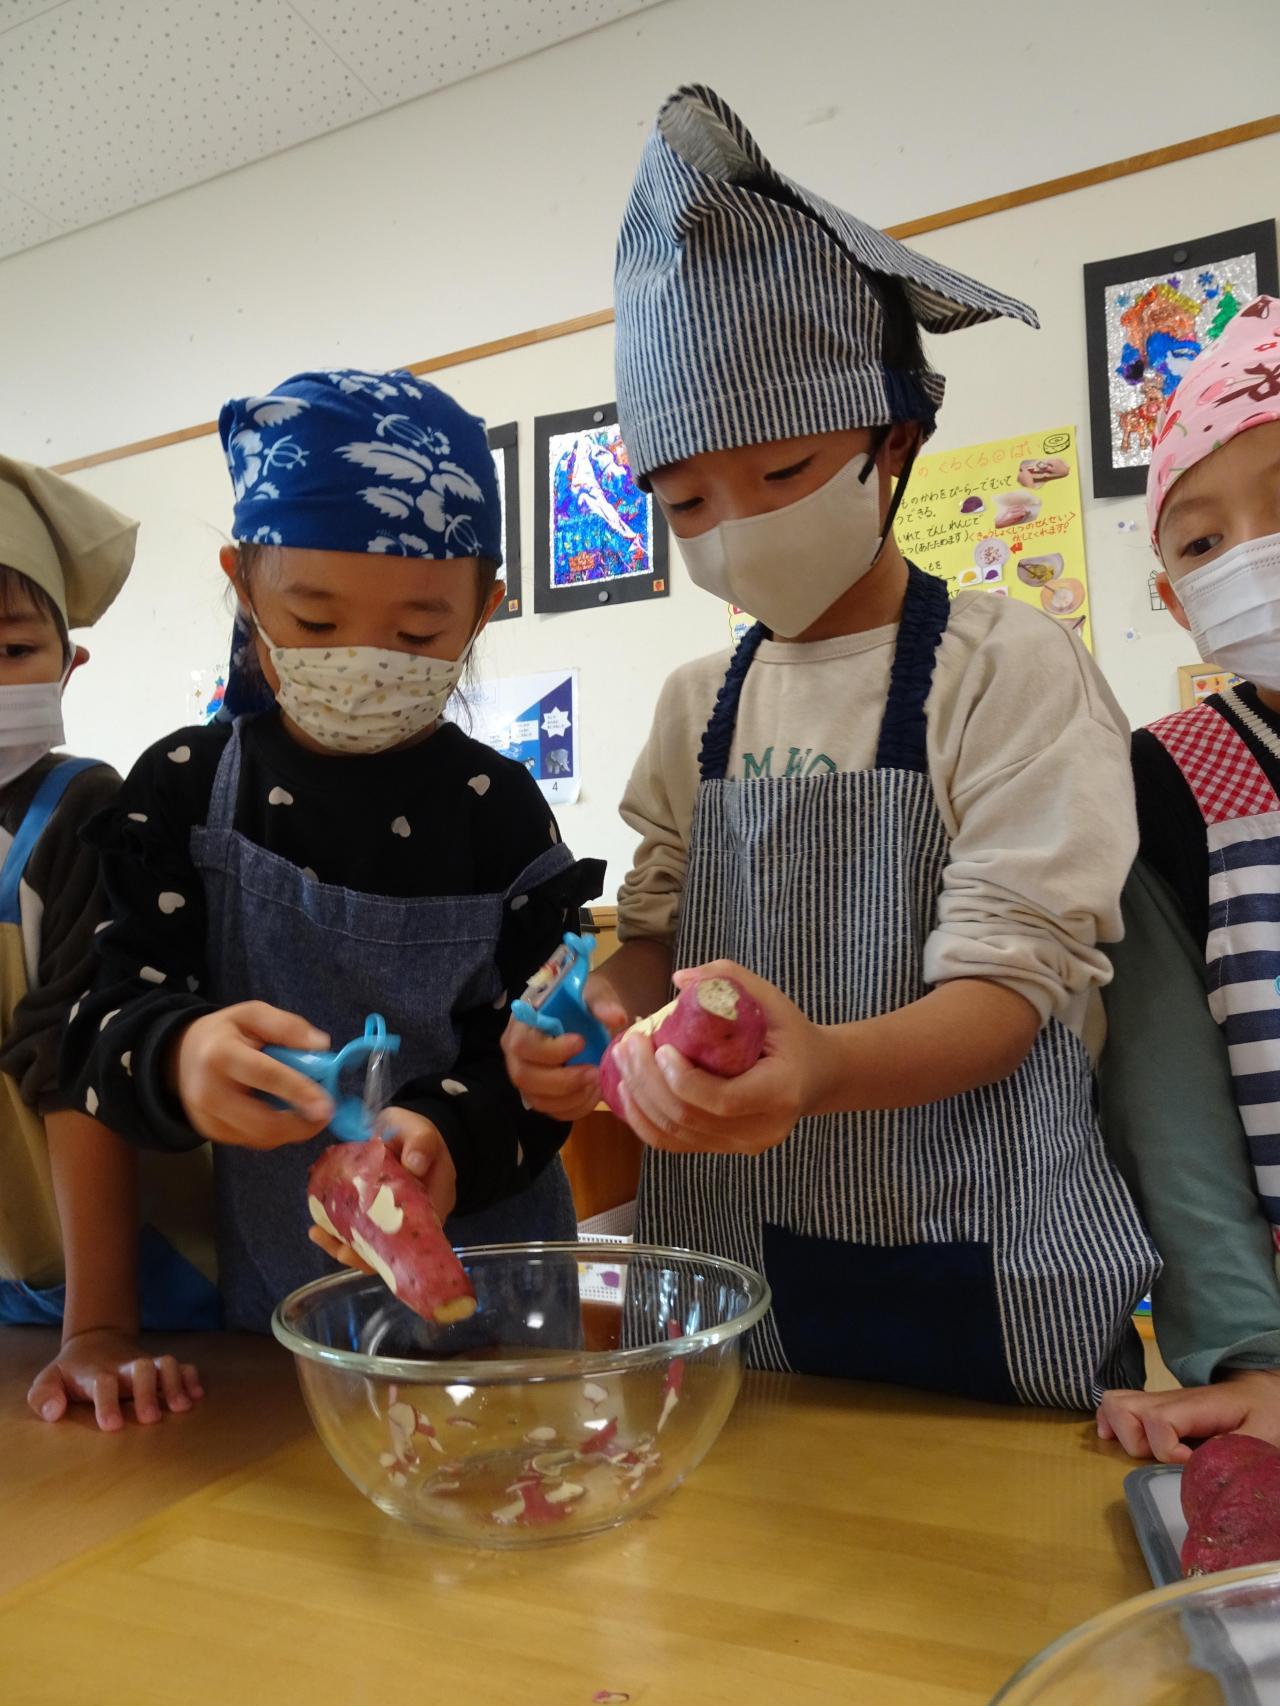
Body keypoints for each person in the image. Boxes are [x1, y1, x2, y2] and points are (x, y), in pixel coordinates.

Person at [504, 85, 1157, 1407]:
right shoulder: (697, 703)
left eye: (781, 474)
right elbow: (656, 934)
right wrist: (592, 1014)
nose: (733, 526)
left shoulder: (1006, 667)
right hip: (732, 1260)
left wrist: (826, 1069)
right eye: (685, 499)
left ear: (892, 441)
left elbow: (1012, 987)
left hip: (988, 1250)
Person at [62, 370, 603, 1334]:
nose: (364, 662)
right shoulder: (185, 791)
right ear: (243, 588)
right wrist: (180, 1055)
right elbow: (96, 1030)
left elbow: (543, 1062)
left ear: (483, 610)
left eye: (419, 630)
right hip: (285, 1315)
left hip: (506, 1312)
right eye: (316, 622)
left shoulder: (501, 811)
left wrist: (450, 1133)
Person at [1093, 297, 1280, 1461]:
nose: (1252, 553)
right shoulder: (1166, 779)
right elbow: (1170, 1105)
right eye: (1203, 543)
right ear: (1173, 597)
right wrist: (1253, 1359)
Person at [0, 456, 215, 1430]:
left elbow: (75, 1064)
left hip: (117, 1279)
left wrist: (97, 1327)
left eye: (11, 647)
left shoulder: (80, 812)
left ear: (67, 663)